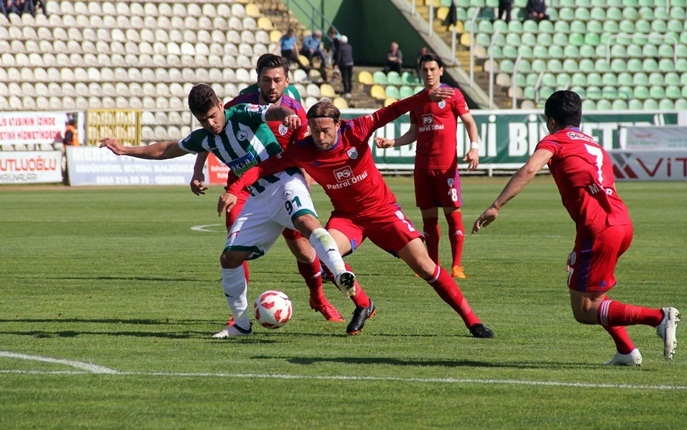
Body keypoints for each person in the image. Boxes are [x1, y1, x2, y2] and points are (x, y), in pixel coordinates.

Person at [221, 89, 495, 339]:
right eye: (314, 131)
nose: (320, 136)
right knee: (325, 257)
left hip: (384, 213)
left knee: (425, 267)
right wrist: (234, 188)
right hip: (347, 218)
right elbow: (262, 168)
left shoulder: (358, 129)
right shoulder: (302, 151)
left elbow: (393, 110)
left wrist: (425, 95)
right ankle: (363, 303)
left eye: (325, 130)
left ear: (338, 124)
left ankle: (473, 321)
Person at [100, 84, 356, 338]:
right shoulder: (204, 138)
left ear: (221, 105)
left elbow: (271, 112)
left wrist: (286, 115)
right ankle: (241, 325)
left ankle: (340, 272)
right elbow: (167, 149)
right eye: (203, 119)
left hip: (285, 181)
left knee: (306, 224)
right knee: (229, 258)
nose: (211, 123)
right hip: (257, 197)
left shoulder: (242, 113)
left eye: (213, 115)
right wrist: (125, 150)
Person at [472, 90, 680, 366]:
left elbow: (530, 169)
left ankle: (658, 317)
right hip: (620, 223)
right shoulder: (593, 146)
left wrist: (496, 205)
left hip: (598, 229)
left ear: (551, 121)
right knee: (596, 294)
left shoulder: (555, 140)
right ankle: (626, 351)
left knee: (584, 310)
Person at [190, 55, 345, 324]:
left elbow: (303, 146)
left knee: (304, 250)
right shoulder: (238, 105)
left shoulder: (294, 107)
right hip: (242, 186)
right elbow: (210, 134)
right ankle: (237, 316)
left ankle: (319, 298)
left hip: (280, 183)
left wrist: (304, 179)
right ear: (257, 78)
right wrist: (197, 170)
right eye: (266, 79)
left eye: (277, 80)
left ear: (286, 81)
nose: (272, 85)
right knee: (235, 248)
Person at [375, 53, 480, 280]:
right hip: (422, 167)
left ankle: (457, 266)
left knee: (453, 217)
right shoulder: (418, 100)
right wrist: (393, 142)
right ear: (420, 72)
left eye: (433, 69)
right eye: (425, 70)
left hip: (446, 168)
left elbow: (469, 122)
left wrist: (474, 147)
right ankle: (432, 266)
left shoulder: (453, 95)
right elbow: (414, 132)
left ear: (441, 70)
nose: (429, 73)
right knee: (429, 220)